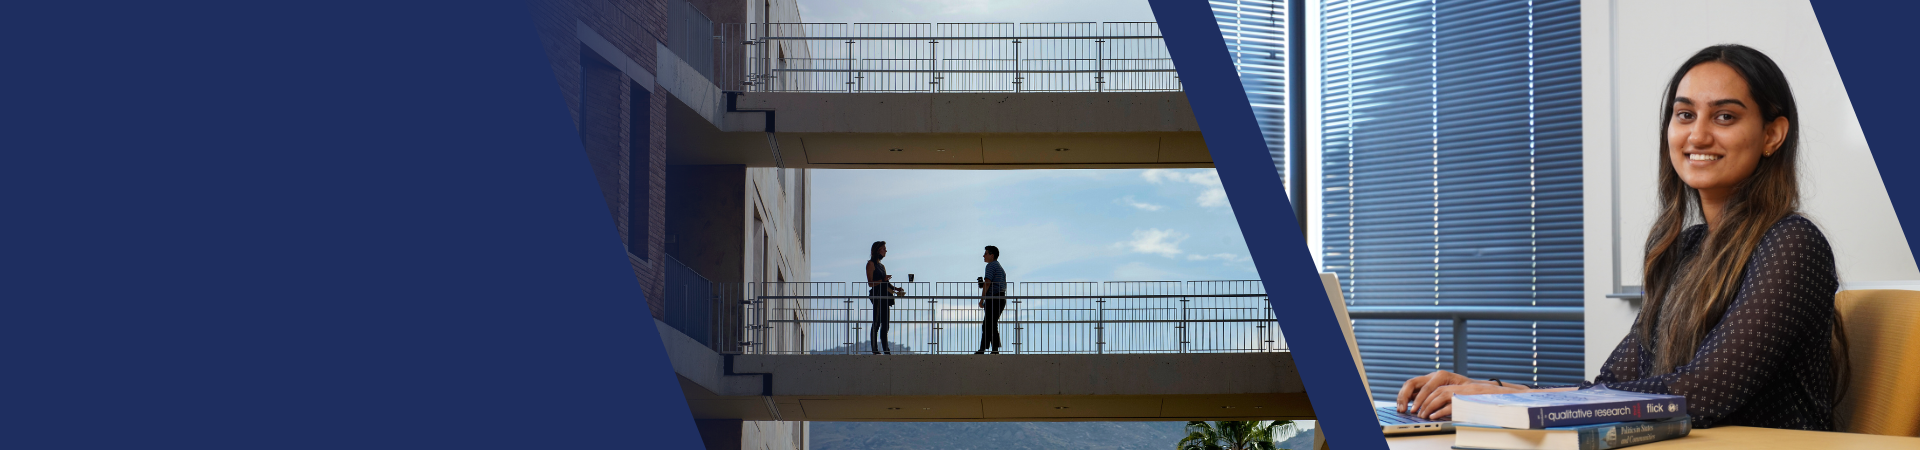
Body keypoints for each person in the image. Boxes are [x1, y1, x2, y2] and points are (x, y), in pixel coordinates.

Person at [1393, 44, 1847, 431]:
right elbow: (1611, 387)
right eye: (1684, 114)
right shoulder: (1684, 249)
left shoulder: (1792, 243)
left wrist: (1511, 400)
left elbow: (1703, 394)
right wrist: (1496, 394)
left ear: (1772, 134)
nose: (1698, 134)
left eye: (1725, 116)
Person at [866, 241, 904, 355]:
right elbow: (870, 283)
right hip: (877, 296)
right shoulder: (871, 264)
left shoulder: (882, 266)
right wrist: (883, 280)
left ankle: (886, 350)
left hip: (885, 297)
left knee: (885, 324)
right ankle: (874, 349)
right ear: (878, 250)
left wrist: (896, 288)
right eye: (883, 249)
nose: (885, 251)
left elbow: (885, 283)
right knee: (877, 322)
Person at [975, 245, 1008, 354]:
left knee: (989, 324)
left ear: (991, 255)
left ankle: (987, 349)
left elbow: (988, 283)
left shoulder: (990, 266)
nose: (983, 255)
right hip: (1000, 298)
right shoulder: (999, 267)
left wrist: (982, 299)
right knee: (990, 323)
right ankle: (991, 349)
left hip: (994, 298)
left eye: (986, 253)